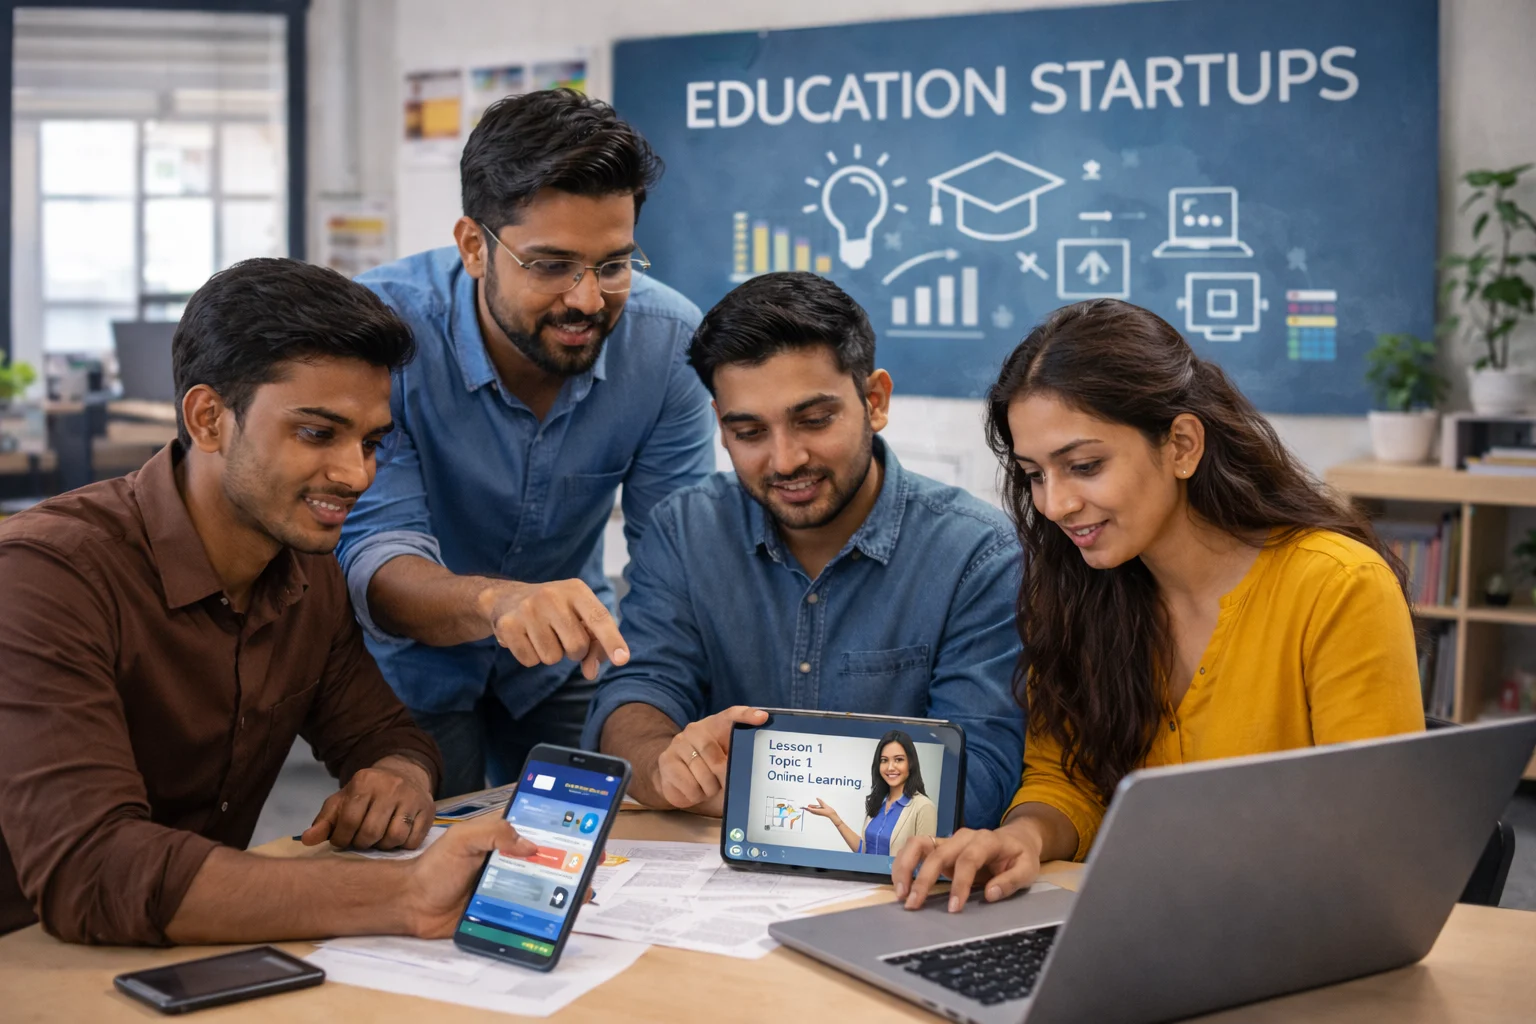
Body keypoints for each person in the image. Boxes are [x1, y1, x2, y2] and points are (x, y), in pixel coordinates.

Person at [0, 259, 541, 945]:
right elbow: (93, 871)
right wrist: (403, 892)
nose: (355, 475)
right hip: (32, 964)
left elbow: (384, 734)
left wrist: (396, 777)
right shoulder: (47, 574)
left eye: (371, 442)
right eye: (317, 433)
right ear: (208, 419)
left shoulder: (304, 570)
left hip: (187, 953)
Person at [893, 298, 1425, 913]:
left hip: (1291, 933)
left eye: (1084, 466)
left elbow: (1370, 837)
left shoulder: (1336, 585)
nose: (1056, 504)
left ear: (1181, 445)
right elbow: (1067, 777)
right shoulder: (1080, 588)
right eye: (1035, 475)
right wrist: (1023, 836)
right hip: (1133, 923)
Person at [337, 89, 715, 797]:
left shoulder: (668, 347)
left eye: (613, 264)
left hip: (566, 657)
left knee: (620, 837)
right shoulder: (379, 335)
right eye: (550, 265)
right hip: (407, 660)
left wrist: (659, 711)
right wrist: (497, 604)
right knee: (426, 860)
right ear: (474, 246)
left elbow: (674, 560)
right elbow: (376, 558)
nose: (586, 299)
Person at [583, 272, 1025, 828]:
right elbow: (636, 693)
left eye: (814, 421)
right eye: (750, 433)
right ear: (721, 427)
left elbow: (979, 778)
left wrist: (753, 786)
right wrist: (663, 767)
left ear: (875, 400)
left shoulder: (978, 556)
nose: (786, 459)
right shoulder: (685, 530)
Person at [805, 730, 938, 857]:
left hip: (894, 881)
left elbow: (925, 862)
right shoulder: (879, 801)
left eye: (898, 759)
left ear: (911, 763)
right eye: (884, 760)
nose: (890, 767)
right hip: (866, 879)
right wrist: (835, 818)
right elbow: (865, 851)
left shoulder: (923, 806)